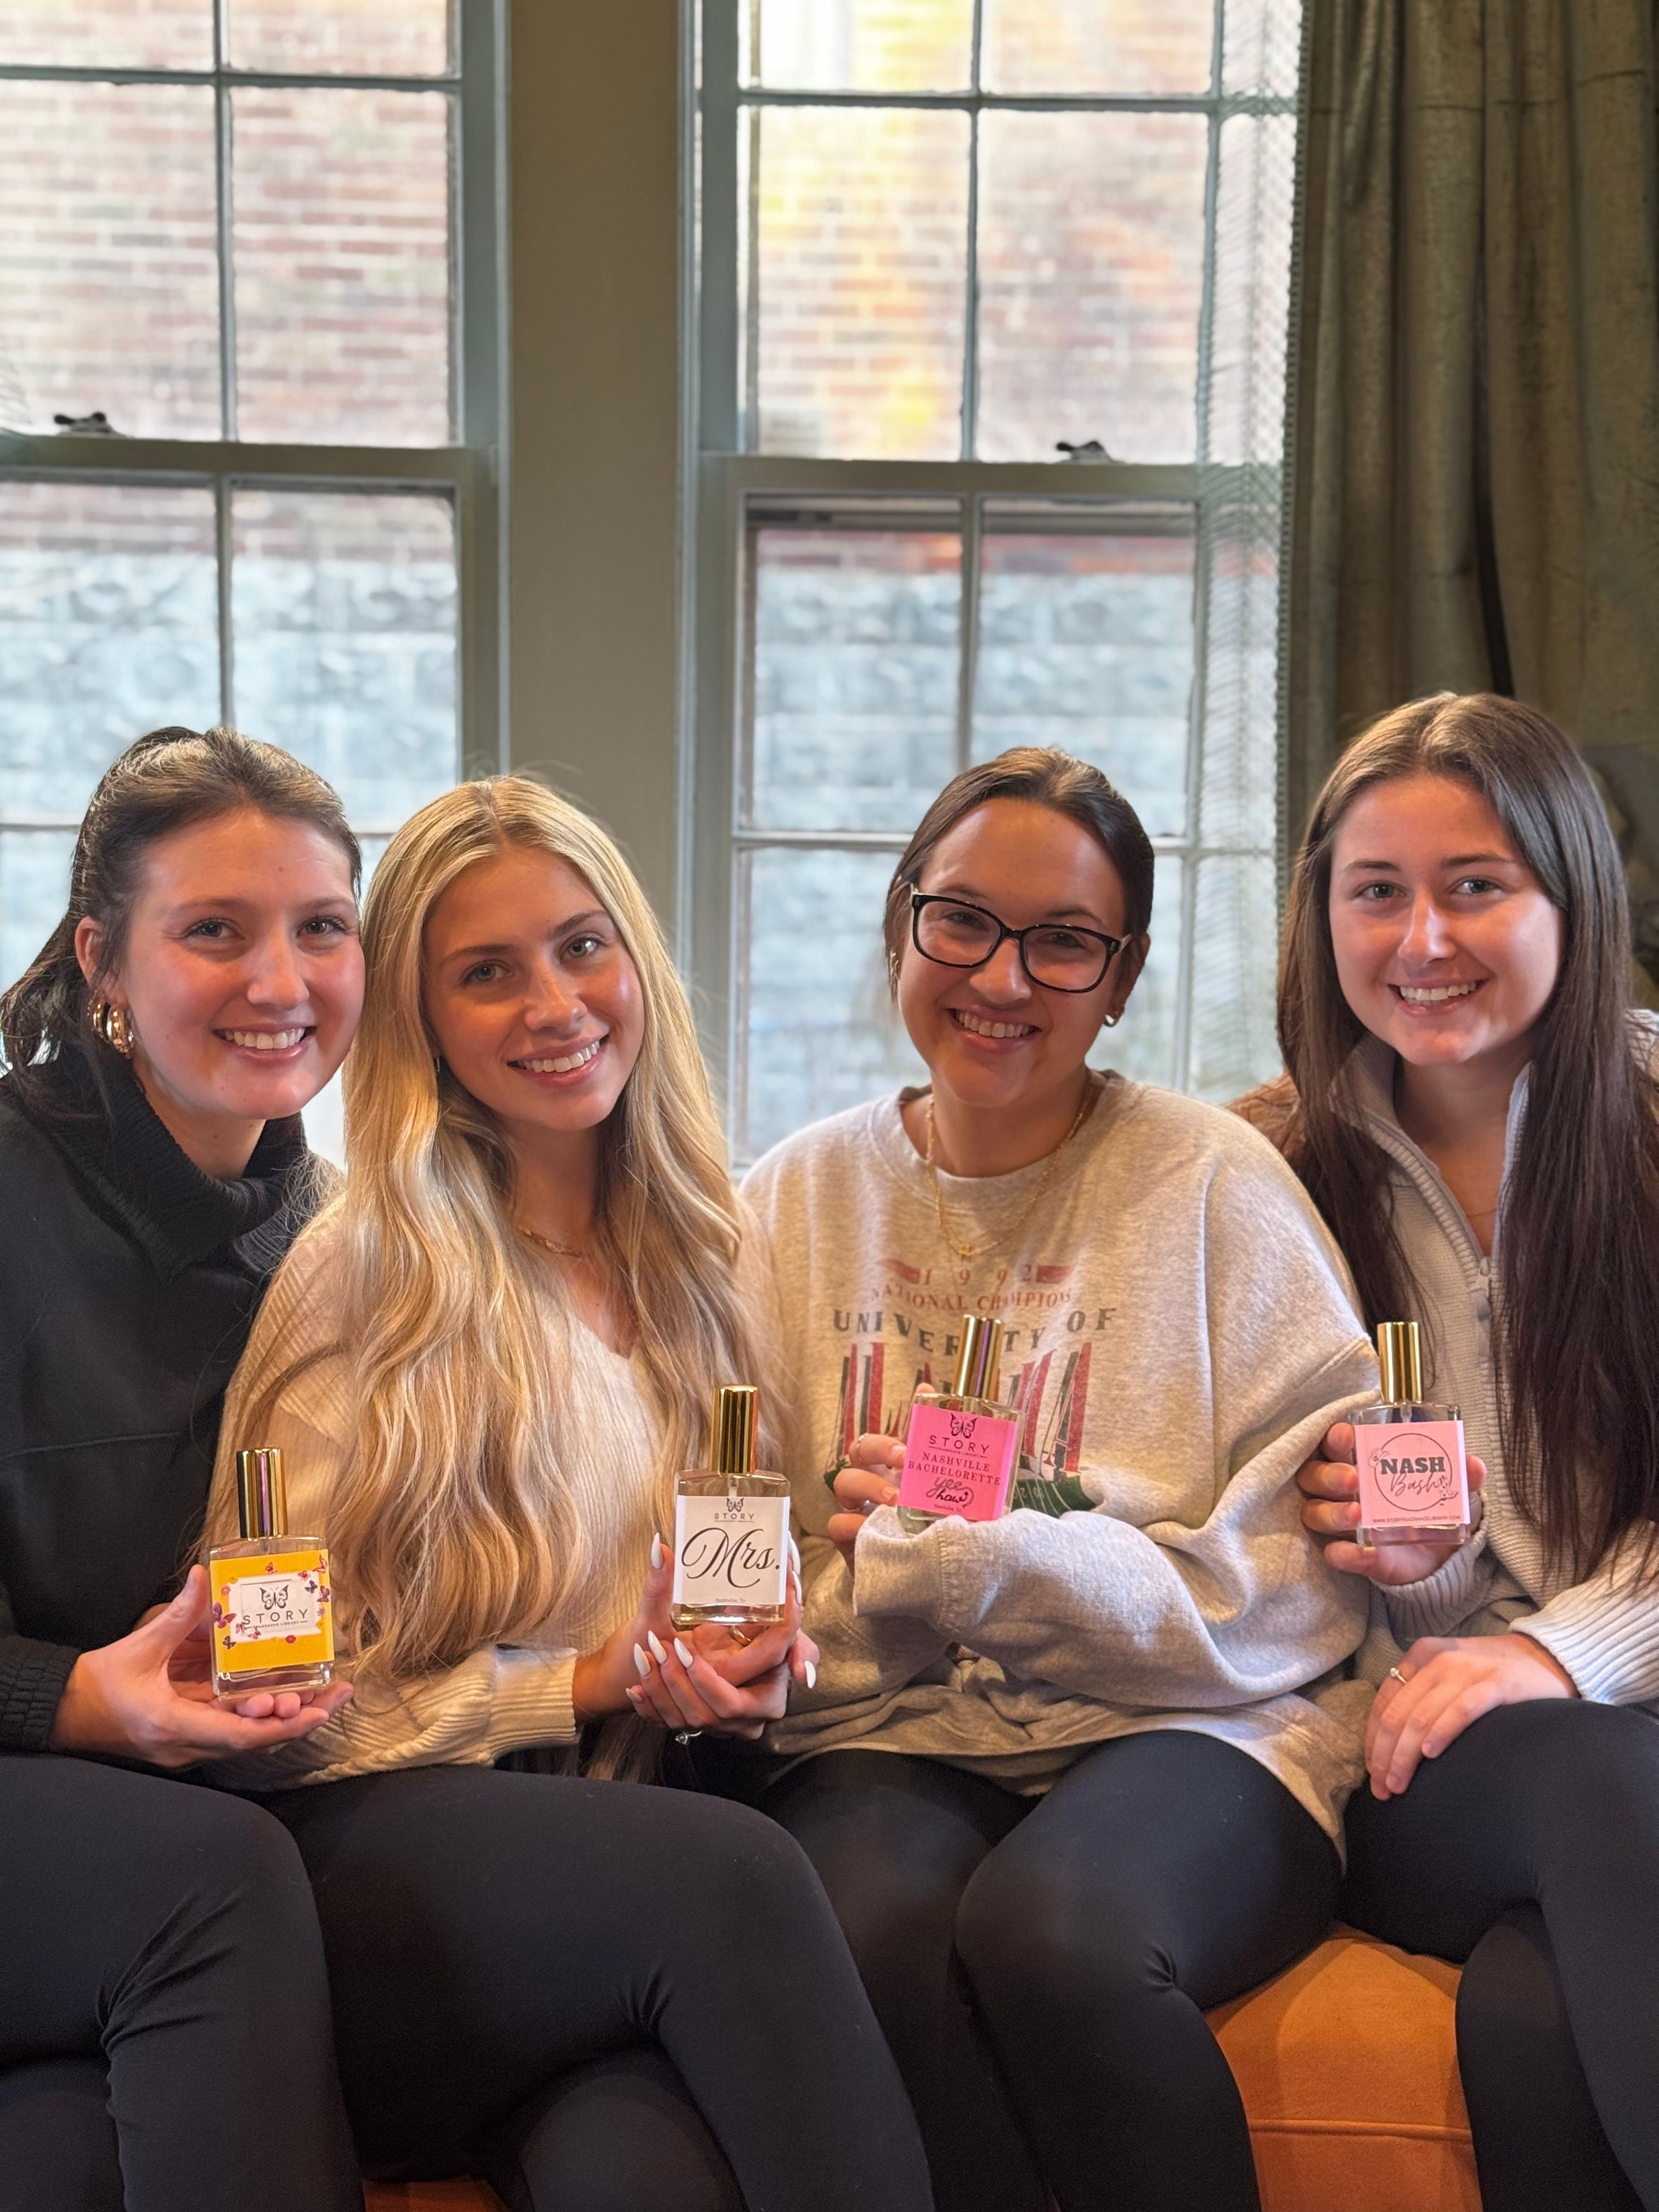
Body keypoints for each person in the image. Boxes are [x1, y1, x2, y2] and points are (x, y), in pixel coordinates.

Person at [202, 775, 933, 2212]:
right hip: (371, 1883)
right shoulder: (363, 1278)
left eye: (581, 946)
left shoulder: (713, 1260)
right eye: (487, 972)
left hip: (609, 1897)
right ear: (421, 1022)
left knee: (631, 2172)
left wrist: (744, 1665)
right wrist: (581, 1681)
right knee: (741, 1878)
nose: (554, 1003)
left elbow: (726, 1601)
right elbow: (252, 1709)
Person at [730, 747, 1380, 2212]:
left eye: (1065, 943)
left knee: (1058, 1936)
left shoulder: (1217, 1188)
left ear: (1123, 976)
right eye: (961, 921)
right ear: (899, 924)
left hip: (1204, 1721)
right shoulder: (788, 1206)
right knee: (858, 1942)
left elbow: (1291, 1594)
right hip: (893, 1726)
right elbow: (747, 1567)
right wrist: (825, 1607)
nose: (1003, 980)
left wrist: (978, 1557)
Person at [1236, 692, 1659, 2212]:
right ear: (1323, 915)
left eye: (1475, 885)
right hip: (1412, 1763)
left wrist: (1567, 1649)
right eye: (1376, 893)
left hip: (1616, 1723)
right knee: (1601, 1780)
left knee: (1539, 2021)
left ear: (1572, 896)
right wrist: (1432, 1581)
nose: (1423, 941)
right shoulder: (1260, 1169)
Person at [0, 726, 368, 2212]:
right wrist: (78, 1699)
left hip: (159, 1830)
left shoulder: (331, 1233)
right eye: (214, 931)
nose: (281, 984)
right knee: (214, 1880)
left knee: (66, 2158)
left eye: (321, 929)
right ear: (104, 958)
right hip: (110, 1818)